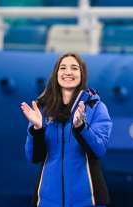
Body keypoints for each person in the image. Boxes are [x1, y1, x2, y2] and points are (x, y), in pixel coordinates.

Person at [20, 53, 112, 207]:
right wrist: (37, 129)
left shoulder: (95, 106)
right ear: (56, 74)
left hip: (89, 200)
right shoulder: (42, 108)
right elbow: (34, 157)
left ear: (82, 75)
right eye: (62, 68)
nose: (68, 72)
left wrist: (80, 127)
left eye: (74, 68)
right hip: (47, 200)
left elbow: (99, 150)